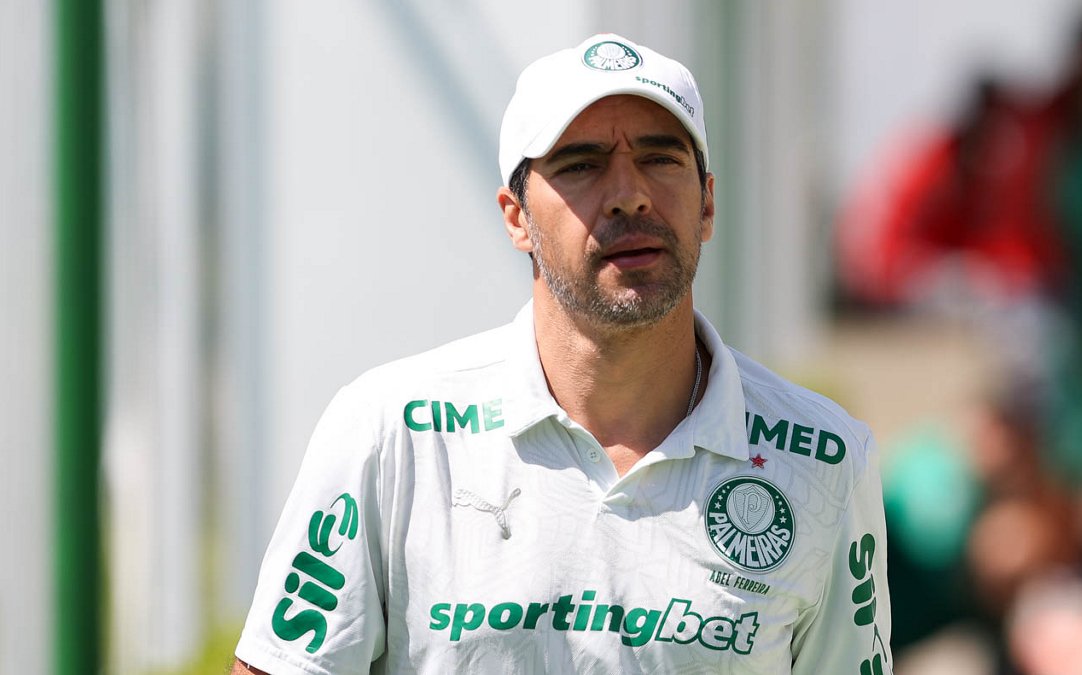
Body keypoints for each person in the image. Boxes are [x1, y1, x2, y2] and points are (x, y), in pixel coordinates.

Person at [231, 33, 892, 674]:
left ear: (708, 202)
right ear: (516, 216)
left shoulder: (824, 459)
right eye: (580, 164)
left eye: (661, 158)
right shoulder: (393, 432)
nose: (630, 193)